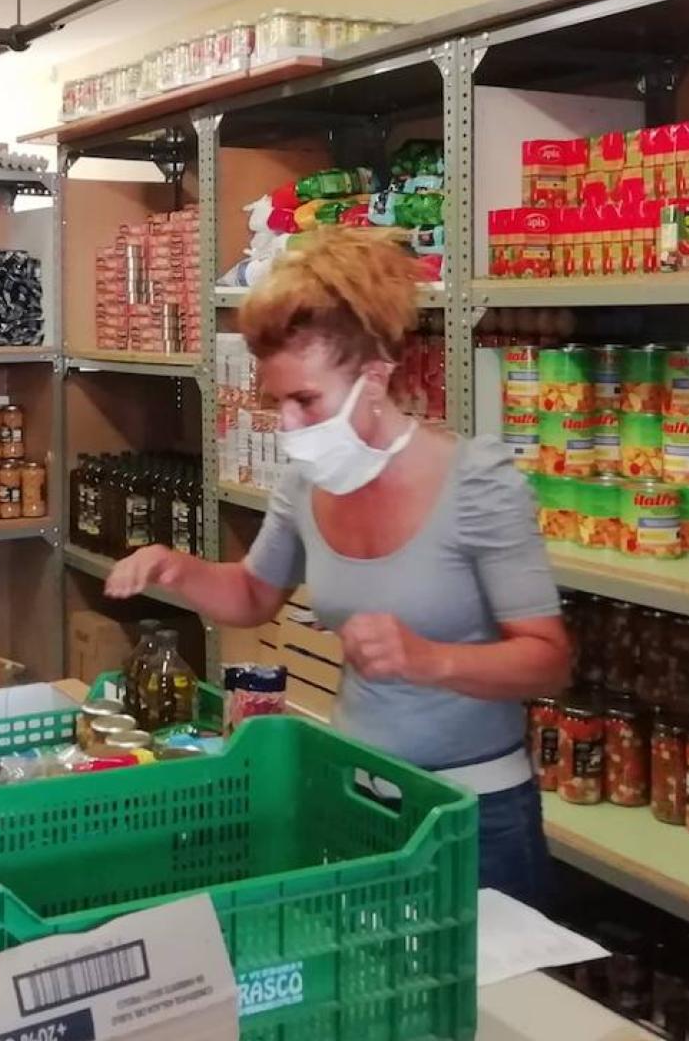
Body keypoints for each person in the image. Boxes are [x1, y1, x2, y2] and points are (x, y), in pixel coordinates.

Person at [105, 230, 571, 905]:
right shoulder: (307, 484)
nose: (290, 426)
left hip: (473, 817)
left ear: (375, 379)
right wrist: (173, 569)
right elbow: (254, 594)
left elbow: (548, 660)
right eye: (278, 404)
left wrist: (426, 659)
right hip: (358, 796)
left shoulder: (477, 483)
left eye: (307, 401)